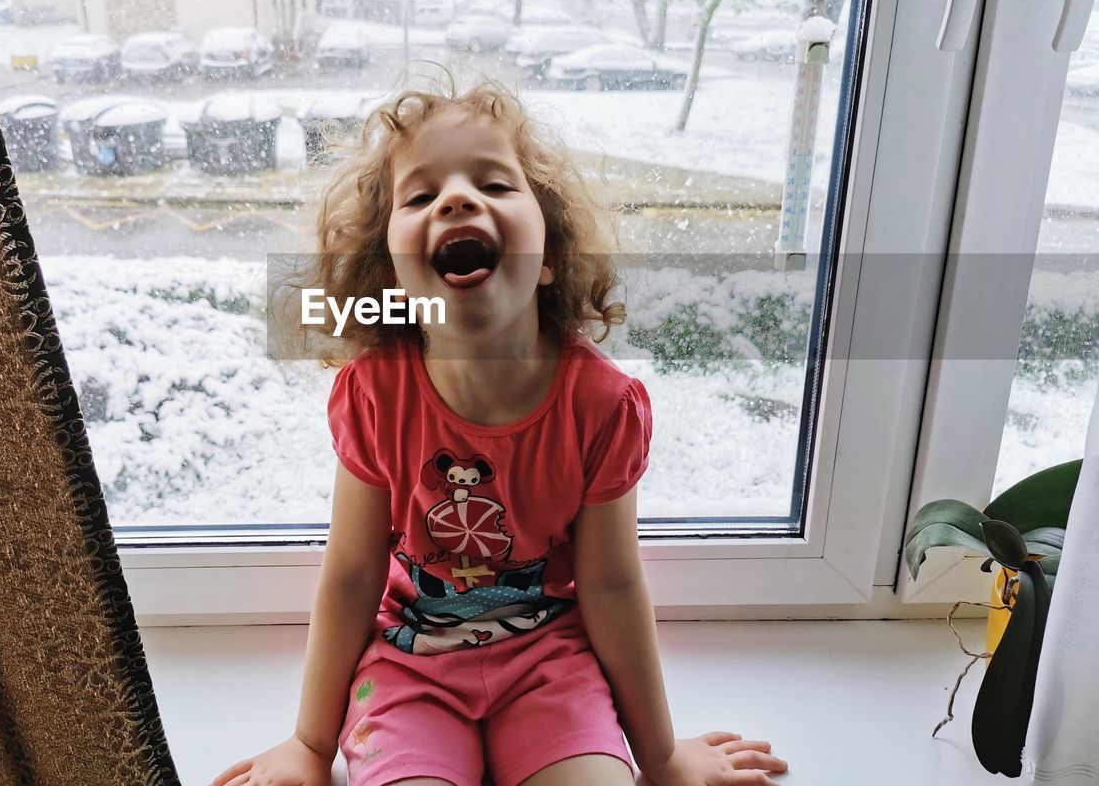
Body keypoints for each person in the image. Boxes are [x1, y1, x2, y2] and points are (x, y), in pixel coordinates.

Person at [212, 75, 789, 786]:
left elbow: (609, 587)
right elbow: (354, 574)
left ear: (548, 257)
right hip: (407, 665)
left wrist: (662, 757)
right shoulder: (375, 394)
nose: (457, 198)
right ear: (389, 274)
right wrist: (308, 743)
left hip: (550, 664)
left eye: (495, 184)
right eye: (420, 197)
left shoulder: (604, 404)